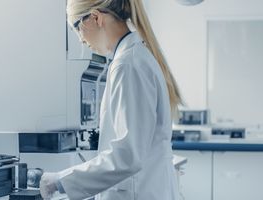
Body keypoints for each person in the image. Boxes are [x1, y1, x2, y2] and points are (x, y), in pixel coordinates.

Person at [40, 0, 183, 199]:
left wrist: (59, 180)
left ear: (96, 17)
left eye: (77, 28)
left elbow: (128, 156)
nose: (80, 40)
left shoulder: (128, 64)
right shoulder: (133, 56)